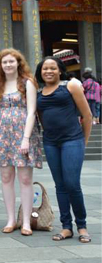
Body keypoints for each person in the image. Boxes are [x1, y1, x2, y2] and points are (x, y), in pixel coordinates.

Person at [36, 57, 92, 243]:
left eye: (53, 68)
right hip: (51, 142)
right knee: (60, 185)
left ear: (60, 70)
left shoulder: (71, 86)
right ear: (41, 72)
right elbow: (42, 117)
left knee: (72, 184)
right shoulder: (39, 92)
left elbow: (87, 115)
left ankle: (82, 226)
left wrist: (83, 141)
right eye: (45, 68)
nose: (49, 71)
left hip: (72, 140)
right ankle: (66, 226)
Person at [0, 48, 42, 236]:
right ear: (0, 65)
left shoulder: (27, 83)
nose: (8, 65)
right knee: (6, 177)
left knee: (25, 178)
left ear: (18, 63)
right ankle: (11, 219)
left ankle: (26, 221)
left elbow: (31, 112)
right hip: (2, 134)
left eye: (11, 61)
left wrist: (26, 138)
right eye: (4, 62)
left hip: (23, 134)